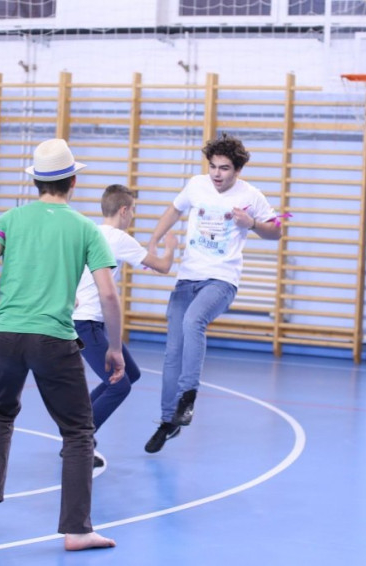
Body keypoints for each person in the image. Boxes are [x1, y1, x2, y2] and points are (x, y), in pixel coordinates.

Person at [0, 139, 123, 551]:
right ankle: (77, 530)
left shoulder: (9, 219)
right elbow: (108, 294)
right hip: (53, 339)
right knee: (78, 431)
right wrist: (114, 348)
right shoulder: (85, 229)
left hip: (5, 334)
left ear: (35, 182)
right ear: (73, 182)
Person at [143, 133, 282, 453]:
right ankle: (168, 421)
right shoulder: (196, 185)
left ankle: (188, 396)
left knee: (194, 322)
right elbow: (173, 210)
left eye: (224, 168)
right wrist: (153, 240)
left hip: (221, 279)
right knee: (173, 351)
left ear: (238, 170)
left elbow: (276, 231)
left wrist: (252, 223)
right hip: (188, 278)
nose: (217, 174)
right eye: (213, 167)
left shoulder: (251, 195)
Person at [73, 184, 177, 451]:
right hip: (85, 323)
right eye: (133, 211)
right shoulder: (119, 238)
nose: (132, 216)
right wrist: (170, 247)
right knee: (119, 386)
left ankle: (78, 427)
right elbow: (163, 266)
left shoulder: (90, 232)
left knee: (131, 373)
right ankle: (79, 439)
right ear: (123, 210)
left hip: (89, 321)